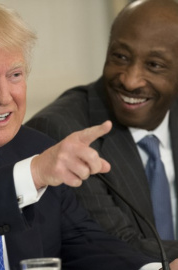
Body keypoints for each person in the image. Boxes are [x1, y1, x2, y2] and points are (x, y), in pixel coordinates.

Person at [0, 3, 166, 270]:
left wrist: (157, 269)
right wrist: (31, 175)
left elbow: (83, 242)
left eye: (15, 75)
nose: (5, 96)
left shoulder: (35, 147)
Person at [26, 0, 178, 263]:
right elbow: (116, 244)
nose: (130, 80)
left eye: (154, 65)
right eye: (120, 57)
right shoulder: (62, 130)